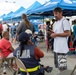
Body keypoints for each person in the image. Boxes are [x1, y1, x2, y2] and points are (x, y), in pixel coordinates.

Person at [50, 7, 71, 71]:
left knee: (63, 68)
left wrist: (56, 34)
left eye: (56, 13)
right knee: (59, 67)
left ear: (61, 13)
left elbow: (68, 33)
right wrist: (53, 33)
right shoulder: (57, 22)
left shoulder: (64, 21)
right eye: (54, 14)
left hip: (62, 49)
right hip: (57, 48)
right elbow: (59, 33)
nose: (55, 15)